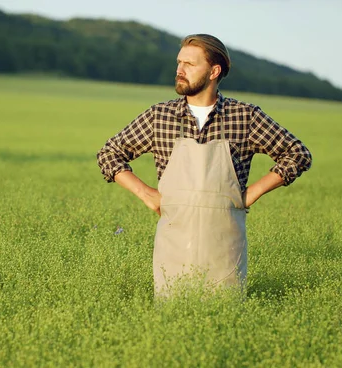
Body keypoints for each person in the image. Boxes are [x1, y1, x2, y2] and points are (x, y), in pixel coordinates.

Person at [96, 34, 312, 296]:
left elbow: (297, 153)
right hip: (173, 246)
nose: (179, 70)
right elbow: (109, 153)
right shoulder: (160, 116)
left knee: (225, 317)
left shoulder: (245, 116)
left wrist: (251, 194)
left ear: (214, 71)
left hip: (224, 249)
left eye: (190, 64)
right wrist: (146, 194)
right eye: (179, 63)